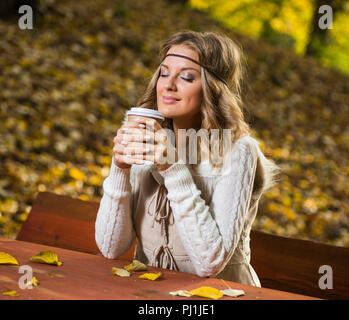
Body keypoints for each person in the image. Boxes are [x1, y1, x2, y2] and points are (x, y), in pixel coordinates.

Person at [95, 30, 280, 286]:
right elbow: (110, 248)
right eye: (164, 73)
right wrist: (119, 169)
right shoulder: (148, 137)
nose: (168, 85)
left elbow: (209, 263)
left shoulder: (238, 152)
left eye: (186, 77)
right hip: (150, 293)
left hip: (222, 294)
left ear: (213, 89)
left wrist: (172, 168)